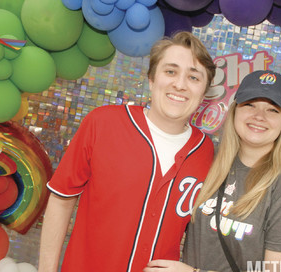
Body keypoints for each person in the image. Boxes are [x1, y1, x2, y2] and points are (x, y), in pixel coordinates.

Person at [37, 31, 216, 272]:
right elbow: (61, 200)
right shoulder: (103, 123)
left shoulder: (206, 151)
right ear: (152, 79)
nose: (180, 84)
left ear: (204, 93)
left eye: (194, 77)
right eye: (170, 71)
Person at [144, 70, 281, 272]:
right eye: (250, 104)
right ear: (234, 111)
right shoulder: (205, 158)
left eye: (273, 110)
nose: (259, 116)